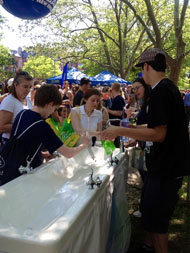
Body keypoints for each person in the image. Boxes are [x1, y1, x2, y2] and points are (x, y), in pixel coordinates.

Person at [102, 48, 190, 253]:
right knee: (152, 216)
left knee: (158, 223)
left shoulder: (160, 91)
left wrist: (119, 129)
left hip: (166, 169)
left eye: (142, 69)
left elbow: (159, 134)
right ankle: (148, 246)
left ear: (147, 66)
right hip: (165, 168)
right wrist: (129, 128)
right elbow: (155, 127)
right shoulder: (168, 87)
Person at [0, 85, 90, 186]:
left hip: (7, 166)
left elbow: (21, 142)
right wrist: (84, 145)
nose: (53, 112)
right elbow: (68, 153)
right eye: (55, 109)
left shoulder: (22, 113)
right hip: (22, 176)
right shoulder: (42, 126)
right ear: (50, 104)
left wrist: (41, 154)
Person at [0, 71, 33, 145]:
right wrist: (26, 126)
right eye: (25, 86)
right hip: (12, 144)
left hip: (24, 143)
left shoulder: (28, 100)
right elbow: (1, 127)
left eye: (30, 87)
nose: (28, 90)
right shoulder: (9, 101)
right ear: (16, 85)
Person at [107, 82, 125, 148]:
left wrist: (108, 111)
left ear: (113, 88)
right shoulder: (114, 99)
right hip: (112, 125)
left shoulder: (120, 99)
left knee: (116, 144)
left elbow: (120, 113)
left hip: (116, 125)